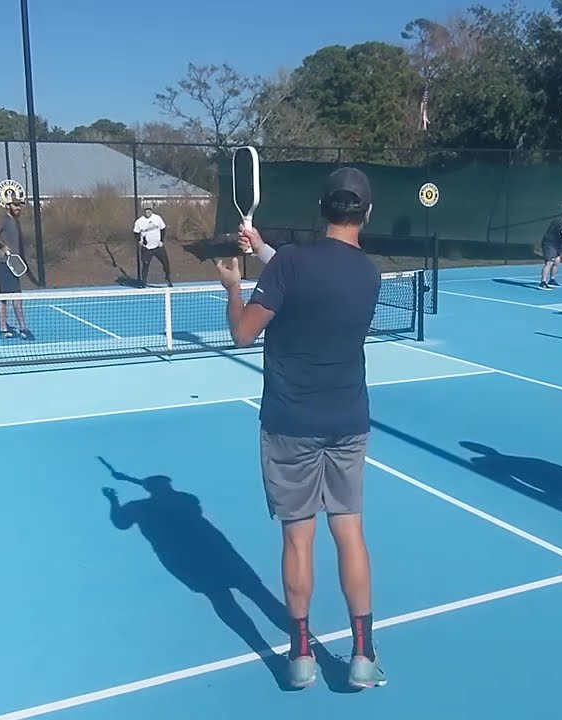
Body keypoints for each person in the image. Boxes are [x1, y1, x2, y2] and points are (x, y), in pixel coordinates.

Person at [213, 167, 387, 690]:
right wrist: (263, 249)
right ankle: (363, 656)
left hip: (289, 424)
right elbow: (315, 274)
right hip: (348, 422)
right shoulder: (370, 275)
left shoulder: (291, 264)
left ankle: (301, 656)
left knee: (298, 540)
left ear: (320, 208)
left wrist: (234, 288)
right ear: (366, 213)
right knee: (350, 533)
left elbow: (244, 333)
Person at [0, 197, 32, 340]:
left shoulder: (15, 221)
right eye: (15, 205)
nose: (18, 208)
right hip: (4, 263)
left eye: (20, 205)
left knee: (5, 296)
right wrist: (2, 246)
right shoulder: (4, 220)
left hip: (14, 264)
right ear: (8, 205)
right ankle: (22, 329)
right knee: (14, 296)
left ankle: (4, 329)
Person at [133, 206, 172, 287]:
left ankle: (167, 278)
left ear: (151, 211)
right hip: (147, 248)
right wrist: (139, 241)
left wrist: (161, 241)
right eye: (146, 211)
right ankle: (143, 283)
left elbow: (163, 229)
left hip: (158, 247)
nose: (148, 212)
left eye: (149, 210)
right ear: (144, 212)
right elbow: (136, 233)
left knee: (166, 263)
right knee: (145, 265)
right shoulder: (139, 221)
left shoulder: (157, 218)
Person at [539, 205, 562, 289]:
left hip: (556, 244)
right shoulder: (559, 221)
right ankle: (543, 282)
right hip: (549, 243)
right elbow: (561, 234)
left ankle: (552, 280)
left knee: (557, 261)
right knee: (549, 262)